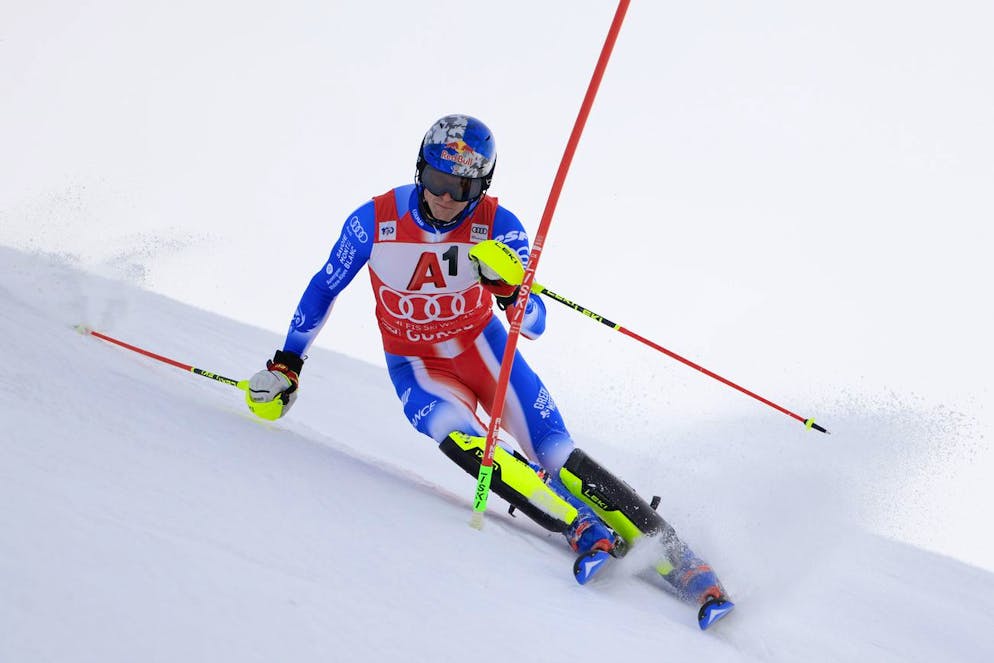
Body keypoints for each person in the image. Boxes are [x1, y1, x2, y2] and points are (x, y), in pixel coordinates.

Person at [246, 114, 731, 621]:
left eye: (462, 187)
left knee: (558, 454)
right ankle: (580, 527)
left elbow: (536, 323)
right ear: (420, 171)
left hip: (485, 353)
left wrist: (508, 290)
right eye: (435, 181)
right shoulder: (375, 221)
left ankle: (682, 560)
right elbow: (325, 287)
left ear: (482, 185)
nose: (446, 198)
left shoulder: (500, 227)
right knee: (457, 435)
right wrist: (288, 364)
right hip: (417, 367)